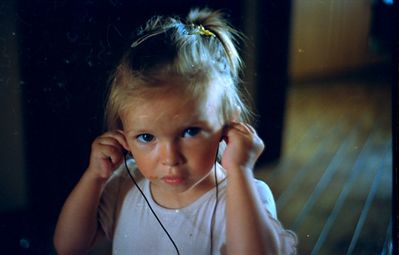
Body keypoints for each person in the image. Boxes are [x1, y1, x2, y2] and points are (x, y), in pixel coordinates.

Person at [53, 8, 297, 255]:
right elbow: (68, 246)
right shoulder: (125, 185)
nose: (170, 159)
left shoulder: (243, 196)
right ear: (122, 135)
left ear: (229, 124)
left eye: (190, 131)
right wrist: (94, 177)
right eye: (146, 137)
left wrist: (240, 171)